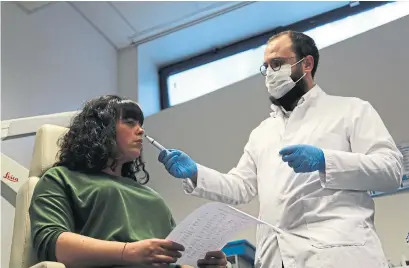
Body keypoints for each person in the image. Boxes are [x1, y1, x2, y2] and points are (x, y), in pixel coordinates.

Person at [158, 31, 403, 268]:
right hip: (277, 258)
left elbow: (390, 170)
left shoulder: (350, 111)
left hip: (339, 256)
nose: (270, 74)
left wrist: (325, 161)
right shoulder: (263, 133)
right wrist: (195, 173)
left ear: (306, 64)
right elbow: (241, 187)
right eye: (266, 67)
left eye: (277, 64)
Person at [29, 95, 228, 268]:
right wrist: (128, 252)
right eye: (130, 122)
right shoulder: (61, 179)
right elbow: (51, 245)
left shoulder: (152, 198)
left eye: (140, 124)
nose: (140, 130)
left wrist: (202, 264)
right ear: (101, 130)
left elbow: (174, 260)